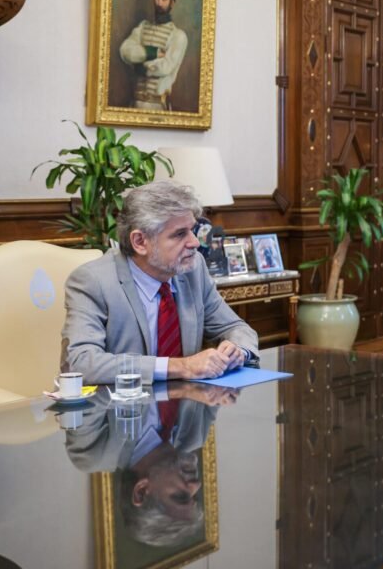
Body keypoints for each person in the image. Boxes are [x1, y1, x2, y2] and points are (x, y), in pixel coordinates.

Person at [62, 181, 258, 383]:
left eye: (192, 230)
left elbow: (236, 327)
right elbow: (79, 363)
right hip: (121, 402)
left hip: (187, 399)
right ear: (140, 242)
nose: (194, 242)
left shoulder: (193, 268)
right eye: (180, 234)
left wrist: (237, 351)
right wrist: (181, 367)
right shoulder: (94, 281)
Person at [64, 382, 237, 547]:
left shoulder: (91, 454)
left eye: (180, 496)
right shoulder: (194, 435)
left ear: (141, 490)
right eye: (195, 496)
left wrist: (179, 388)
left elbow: (79, 385)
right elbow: (233, 375)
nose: (195, 485)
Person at [119, 0, 189, 111]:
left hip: (158, 107)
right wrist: (151, 53)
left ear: (172, 3)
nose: (159, 3)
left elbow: (166, 67)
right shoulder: (142, 27)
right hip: (135, 105)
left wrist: (142, 68)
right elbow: (125, 51)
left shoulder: (178, 36)